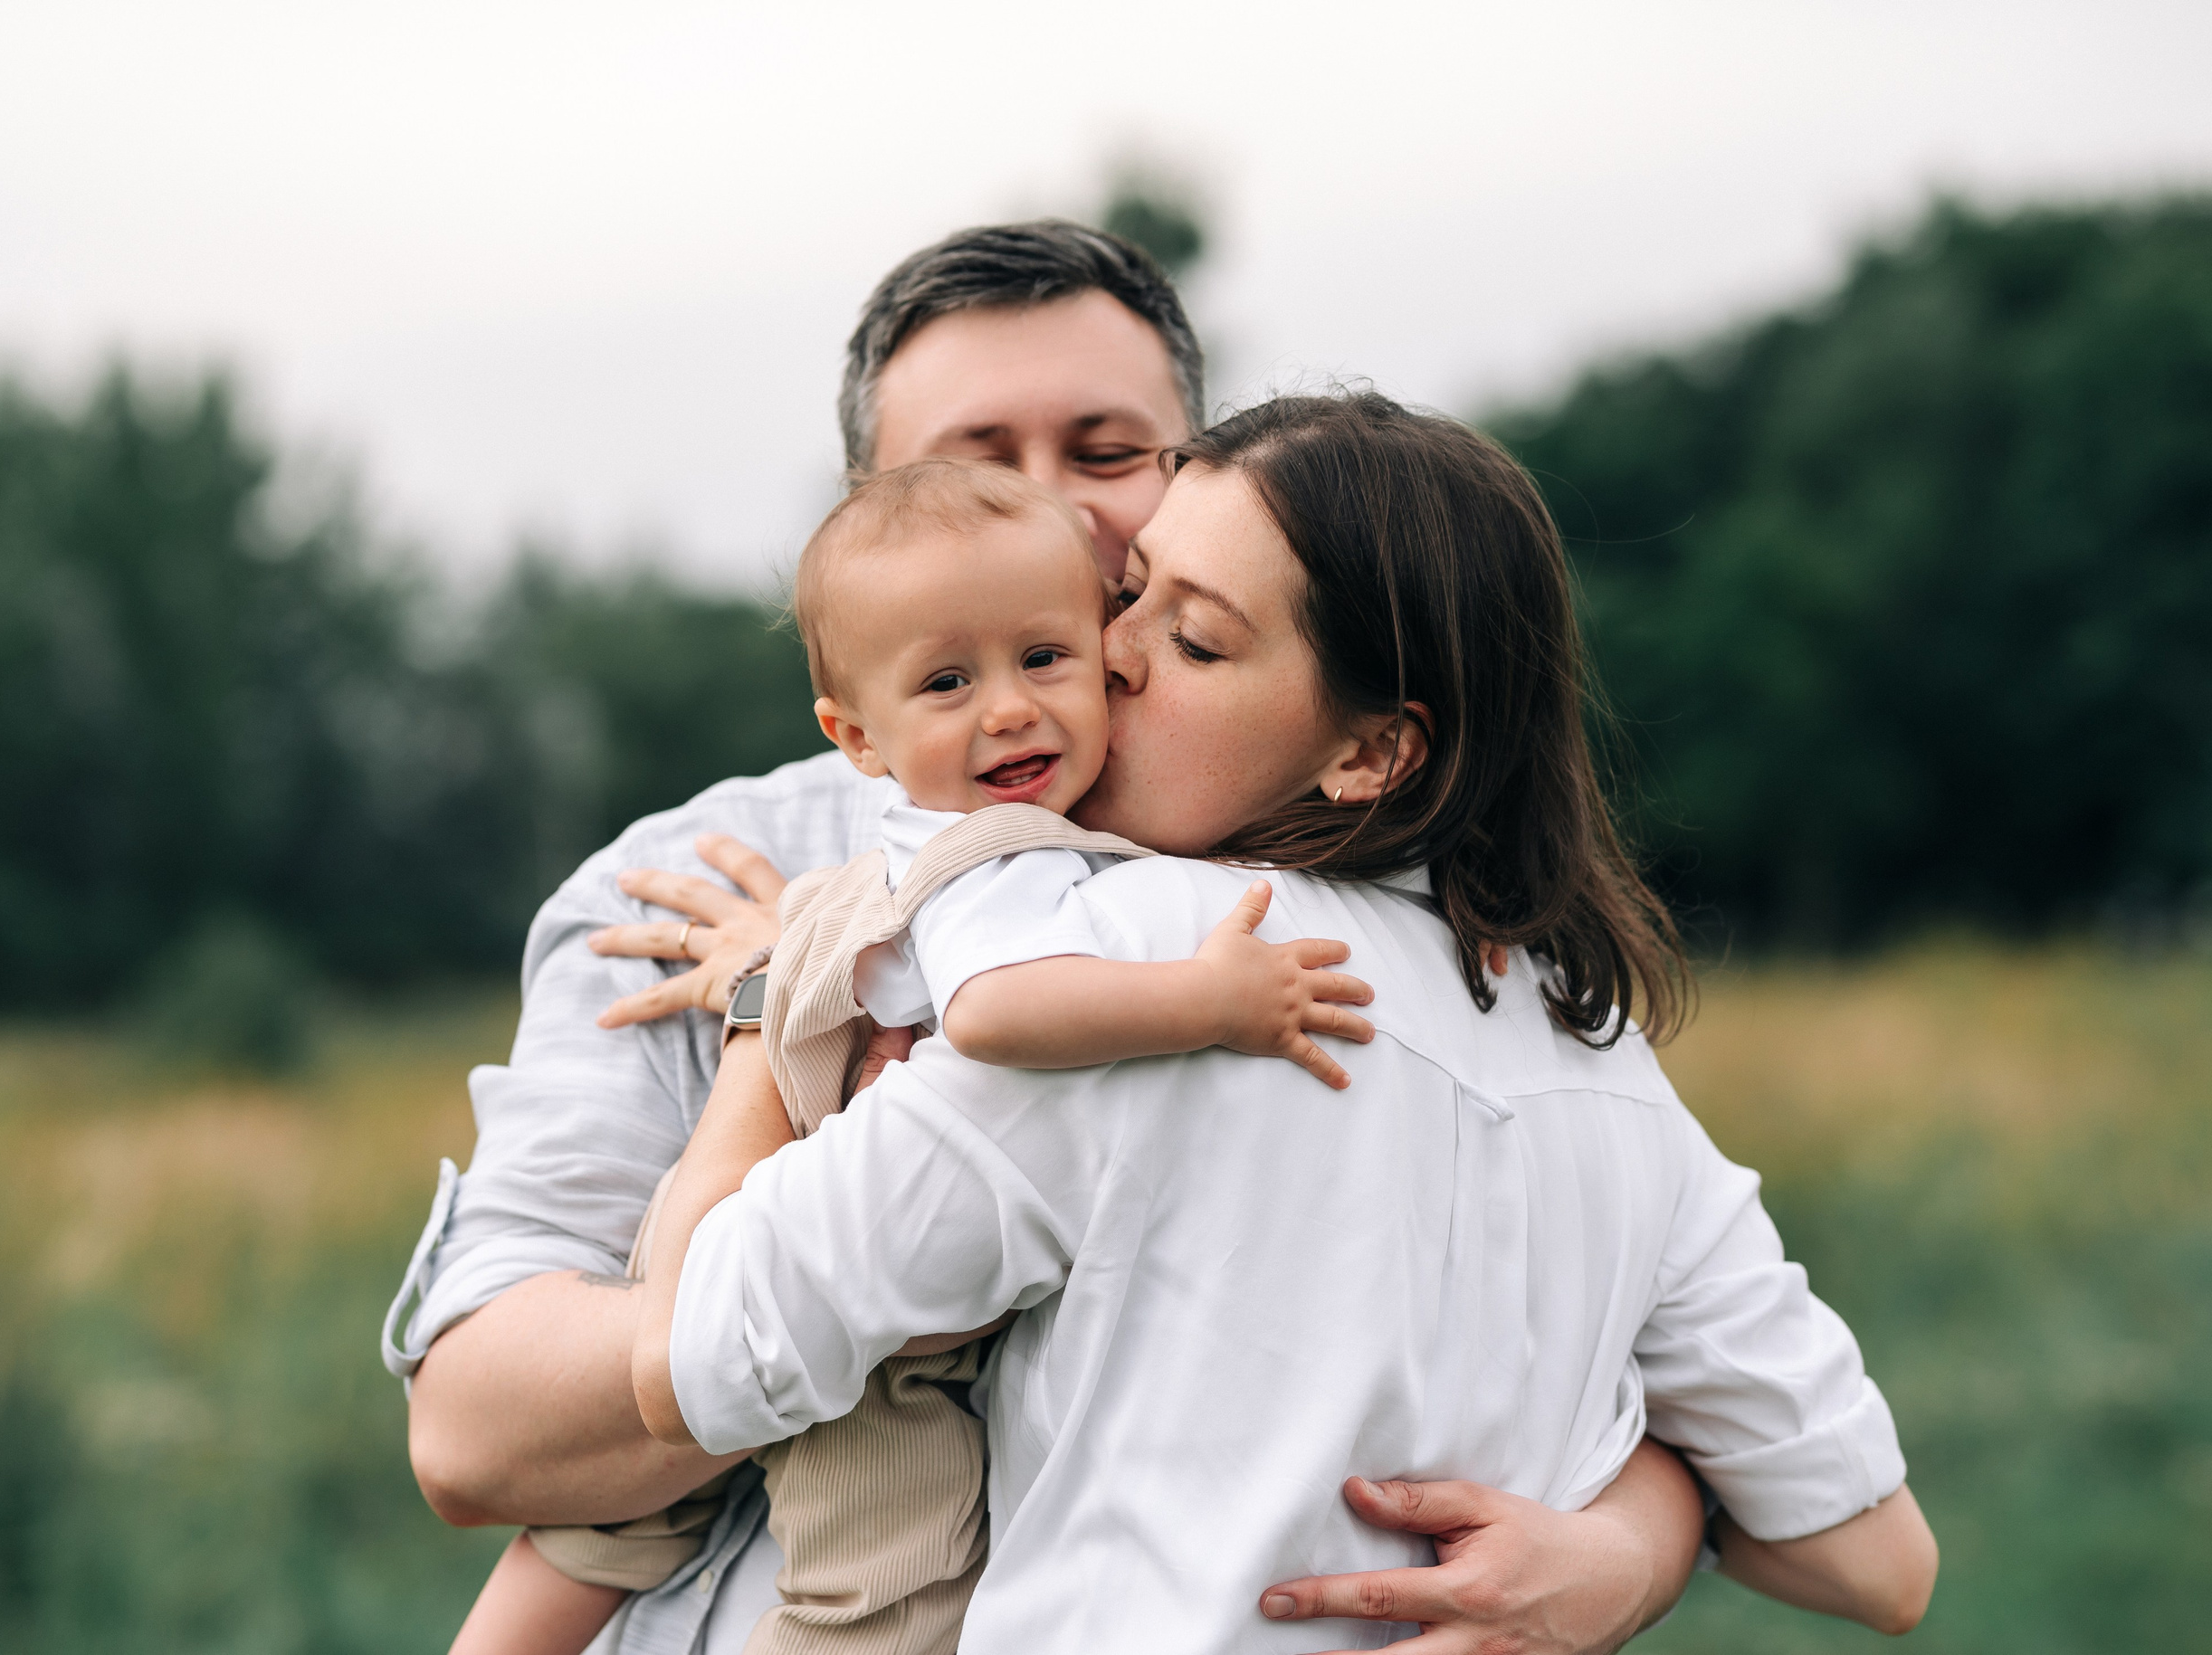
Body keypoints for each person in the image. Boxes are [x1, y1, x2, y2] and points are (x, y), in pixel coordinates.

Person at [388, 222, 1713, 1655]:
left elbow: (1653, 1336)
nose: (1054, 506)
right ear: (865, 519)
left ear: (1198, 476)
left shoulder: (1346, 880)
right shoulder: (696, 882)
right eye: (972, 461)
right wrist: (794, 1045)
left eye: (1108, 449)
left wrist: (1623, 1557)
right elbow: (473, 1430)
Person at [627, 393, 1940, 1650]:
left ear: (1371, 753)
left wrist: (776, 1001)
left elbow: (694, 1357)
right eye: (1128, 592)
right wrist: (1632, 1547)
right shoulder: (1608, 1064)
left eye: (1195, 640)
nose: (1109, 656)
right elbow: (1876, 1561)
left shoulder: (1143, 964)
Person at [450, 460, 1378, 1655]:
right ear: (854, 733)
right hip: (851, 1296)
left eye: (1045, 658)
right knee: (881, 1594)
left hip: (750, 1225)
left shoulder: (970, 827)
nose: (1009, 709)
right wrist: (1206, 1000)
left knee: (606, 1531)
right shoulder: (1001, 851)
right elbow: (996, 1012)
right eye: (948, 682)